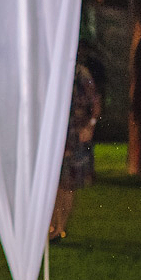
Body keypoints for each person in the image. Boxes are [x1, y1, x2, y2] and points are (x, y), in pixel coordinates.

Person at [49, 54, 103, 241]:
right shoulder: (52, 69)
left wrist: (90, 125)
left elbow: (95, 101)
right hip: (56, 133)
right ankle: (52, 226)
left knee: (68, 184)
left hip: (75, 135)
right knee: (54, 183)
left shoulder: (81, 73)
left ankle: (60, 227)